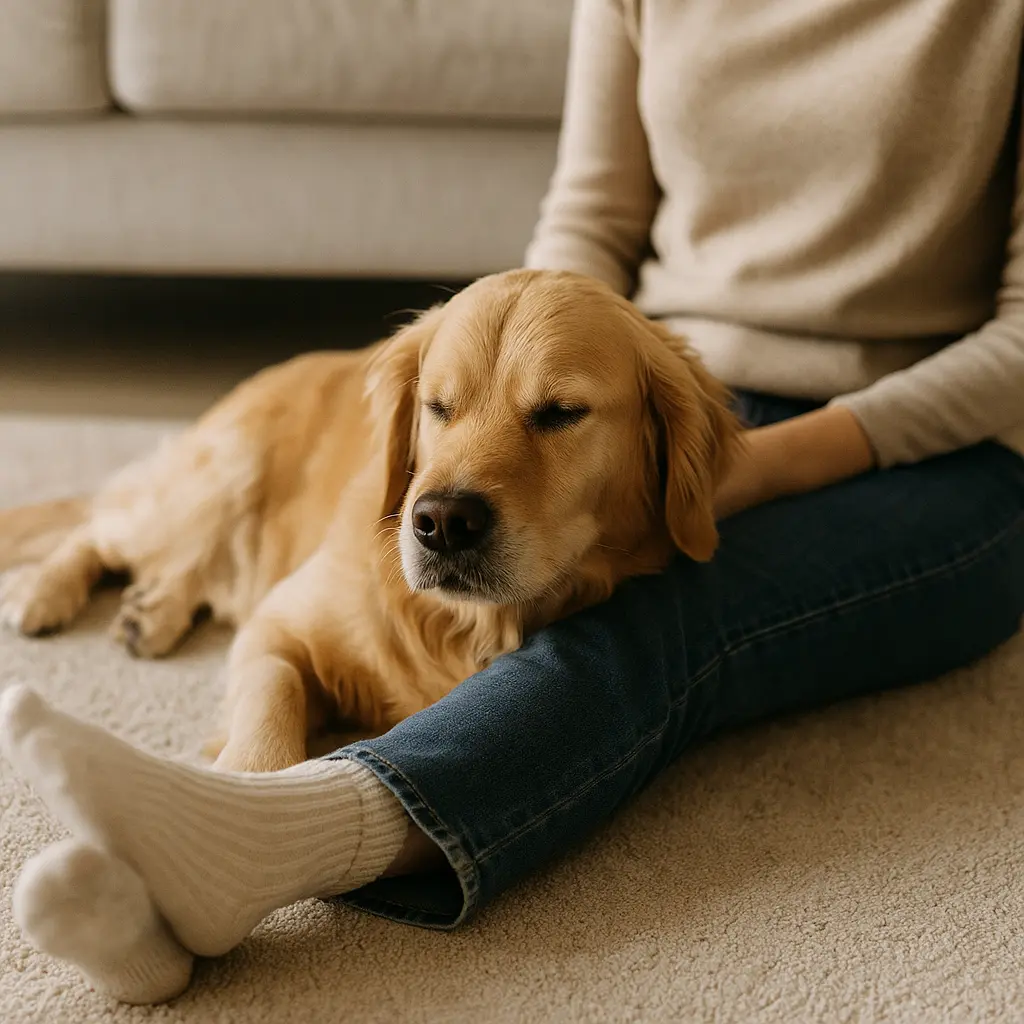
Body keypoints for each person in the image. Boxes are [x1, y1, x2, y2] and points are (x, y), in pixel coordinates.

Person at [2, 0, 1023, 1005]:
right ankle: (184, 874)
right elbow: (590, 221)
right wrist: (546, 351)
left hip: (929, 441)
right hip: (643, 376)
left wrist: (761, 463)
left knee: (669, 608)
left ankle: (274, 837)